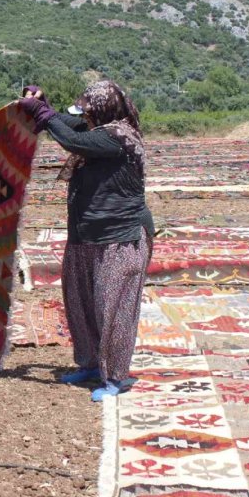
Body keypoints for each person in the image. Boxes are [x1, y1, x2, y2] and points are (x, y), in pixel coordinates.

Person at [19, 81, 154, 401]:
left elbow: (73, 140)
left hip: (121, 238)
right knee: (82, 302)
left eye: (88, 112)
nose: (85, 118)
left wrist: (43, 114)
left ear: (104, 111)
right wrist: (45, 106)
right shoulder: (98, 127)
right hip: (86, 235)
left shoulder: (119, 137)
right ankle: (92, 364)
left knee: (114, 308)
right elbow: (68, 125)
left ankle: (115, 377)